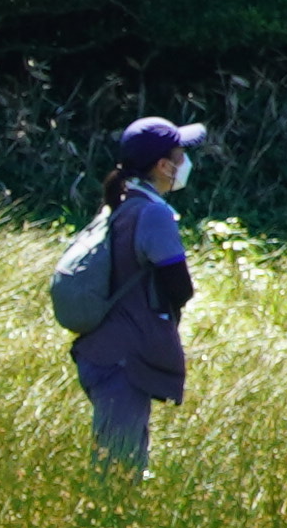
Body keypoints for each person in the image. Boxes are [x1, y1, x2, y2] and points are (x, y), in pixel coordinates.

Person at [71, 115, 205, 469]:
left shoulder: (119, 203)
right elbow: (180, 287)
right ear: (163, 166)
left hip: (102, 350)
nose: (186, 162)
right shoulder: (152, 214)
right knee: (118, 470)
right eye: (180, 156)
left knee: (120, 459)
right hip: (124, 359)